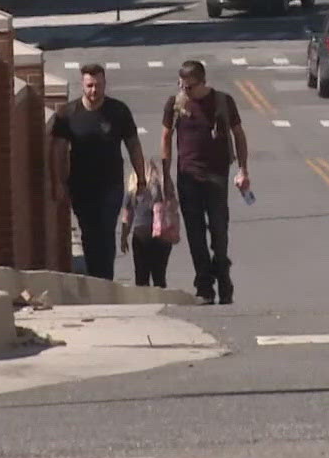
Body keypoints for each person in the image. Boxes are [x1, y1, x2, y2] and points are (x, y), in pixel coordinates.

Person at [161, 60, 250, 305]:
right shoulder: (175, 104)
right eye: (181, 85)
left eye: (189, 87)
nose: (184, 91)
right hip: (187, 177)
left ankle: (222, 275)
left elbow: (239, 135)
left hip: (216, 177)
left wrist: (243, 170)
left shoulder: (222, 101)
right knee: (195, 234)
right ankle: (204, 285)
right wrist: (166, 176)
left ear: (202, 82)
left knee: (219, 232)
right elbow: (166, 137)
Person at [47, 63, 146, 283]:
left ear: (104, 84)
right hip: (81, 186)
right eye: (90, 85)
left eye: (98, 85)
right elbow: (57, 150)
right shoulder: (68, 114)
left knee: (106, 231)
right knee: (89, 234)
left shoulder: (118, 111)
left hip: (111, 184)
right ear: (82, 85)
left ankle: (105, 279)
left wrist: (141, 178)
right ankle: (95, 278)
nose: (94, 90)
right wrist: (57, 183)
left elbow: (133, 145)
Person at [120, 160, 174, 288]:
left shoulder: (132, 190)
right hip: (161, 235)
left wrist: (124, 238)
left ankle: (144, 303)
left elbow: (126, 218)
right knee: (159, 276)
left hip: (140, 235)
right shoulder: (161, 189)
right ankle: (160, 300)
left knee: (141, 276)